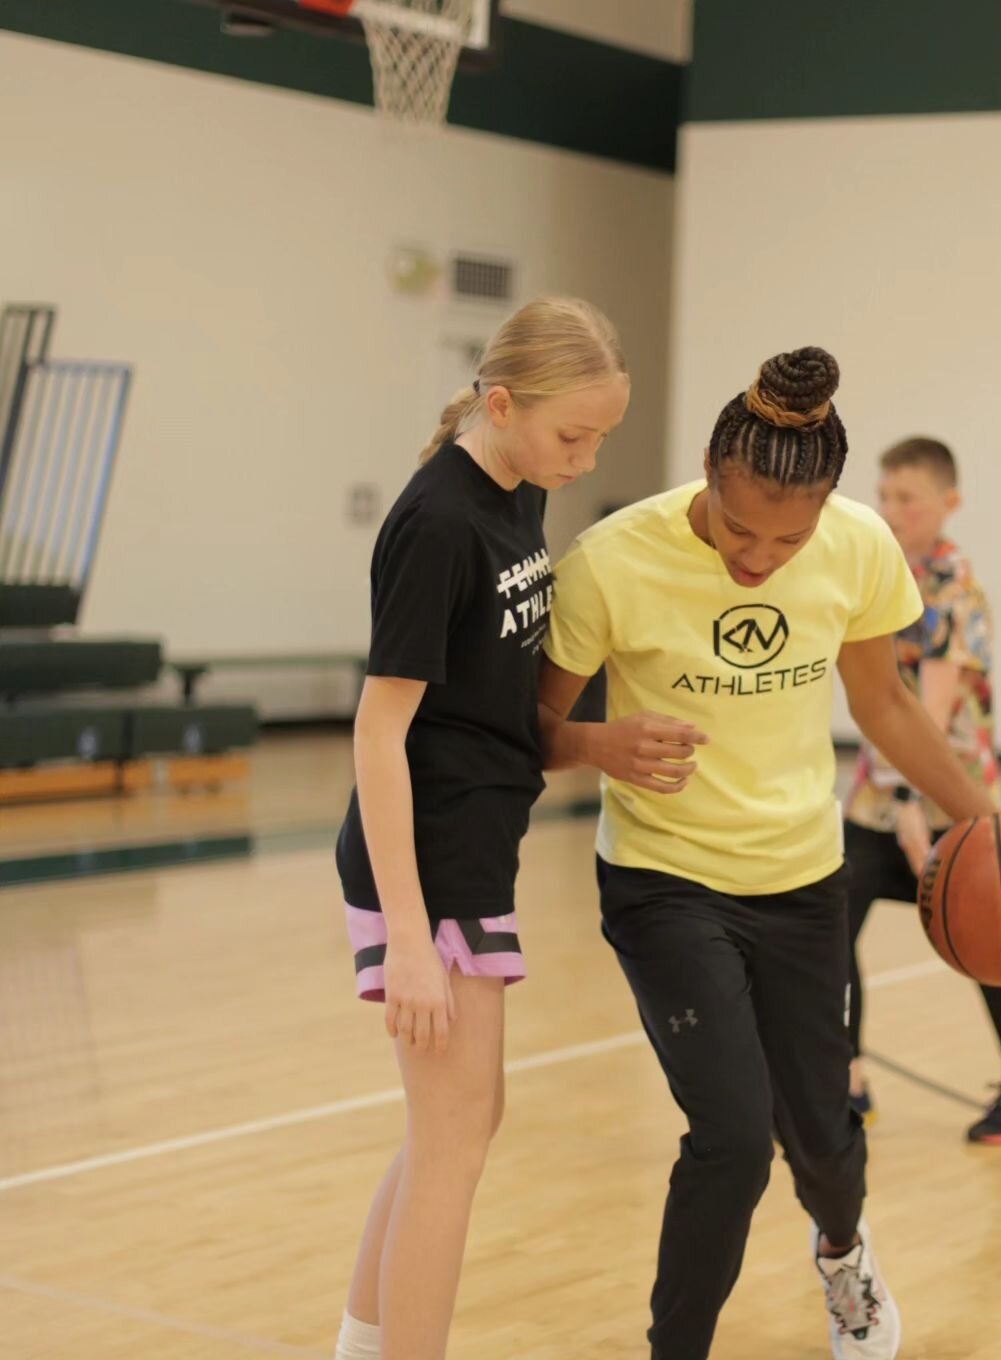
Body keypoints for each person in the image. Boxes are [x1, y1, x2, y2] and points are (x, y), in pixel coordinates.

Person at [537, 347, 994, 1360]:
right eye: (740, 529)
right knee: (735, 1139)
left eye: (787, 541)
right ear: (706, 467)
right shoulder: (612, 559)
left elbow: (881, 700)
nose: (758, 559)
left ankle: (843, 1255)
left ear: (827, 508)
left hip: (799, 877)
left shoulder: (859, 546)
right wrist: (595, 741)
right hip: (663, 879)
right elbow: (529, 728)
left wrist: (981, 819)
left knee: (826, 1142)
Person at [331, 297, 630, 1360]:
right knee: (455, 1144)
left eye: (601, 437)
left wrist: (597, 746)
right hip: (429, 863)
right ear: (501, 403)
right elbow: (380, 732)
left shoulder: (513, 492)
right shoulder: (440, 520)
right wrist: (407, 936)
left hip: (471, 851)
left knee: (451, 1133)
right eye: (572, 435)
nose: (586, 458)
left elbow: (491, 711)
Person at [843, 437, 1001, 1144]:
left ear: (948, 503)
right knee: (827, 925)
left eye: (908, 497)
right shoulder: (882, 575)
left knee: (988, 936)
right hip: (878, 793)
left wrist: (910, 802)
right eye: (886, 495)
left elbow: (928, 714)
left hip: (950, 795)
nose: (892, 509)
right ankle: (847, 1081)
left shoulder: (952, 590)